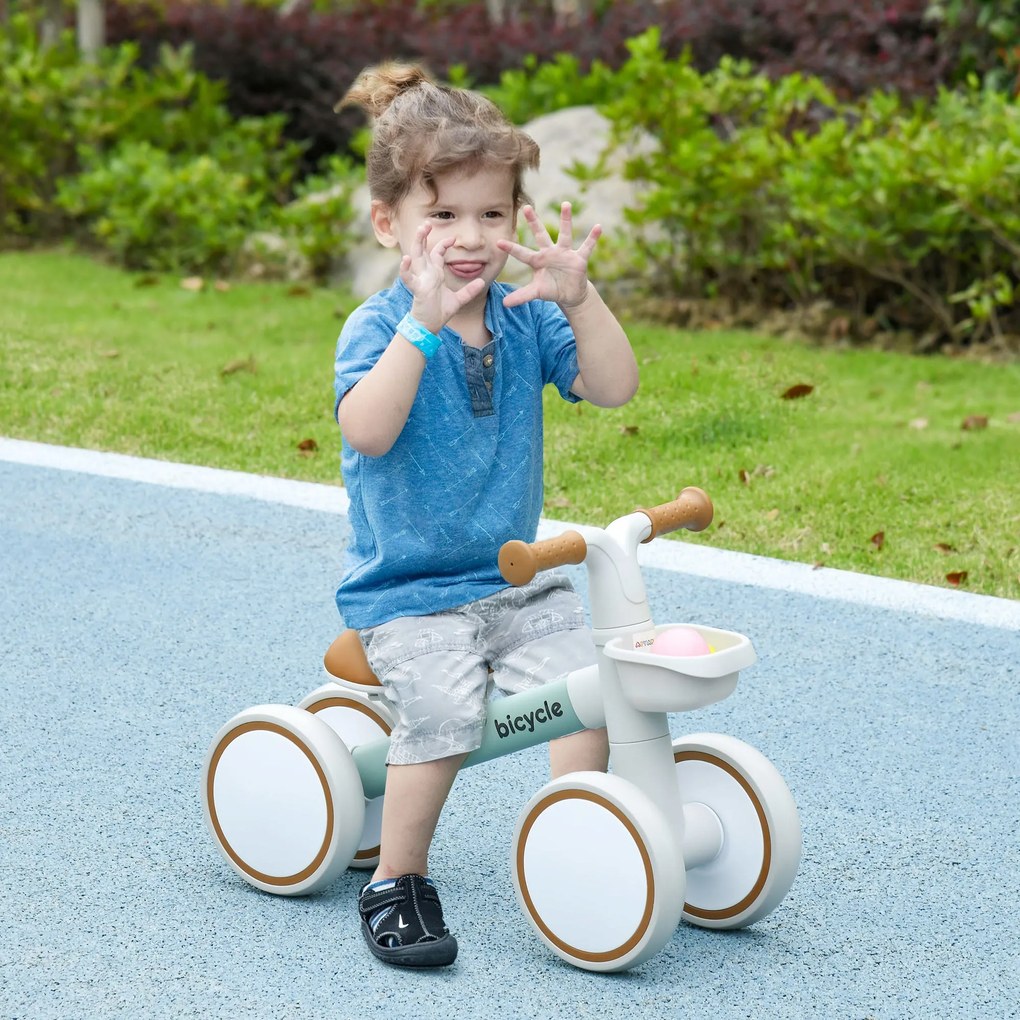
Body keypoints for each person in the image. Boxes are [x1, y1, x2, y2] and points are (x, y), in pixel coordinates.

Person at [332, 62, 639, 968]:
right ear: (390, 222)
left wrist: (581, 299)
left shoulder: (524, 315)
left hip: (514, 579)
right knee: (443, 711)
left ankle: (575, 844)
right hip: (410, 594)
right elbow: (369, 430)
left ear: (515, 221)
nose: (470, 238)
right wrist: (422, 327)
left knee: (591, 690)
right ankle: (398, 878)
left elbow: (614, 387)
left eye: (492, 215)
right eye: (443, 216)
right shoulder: (379, 326)